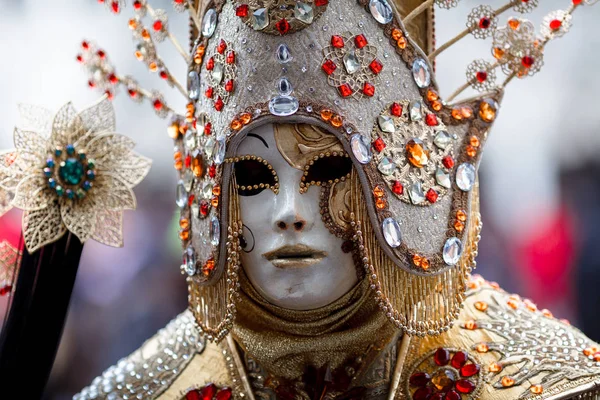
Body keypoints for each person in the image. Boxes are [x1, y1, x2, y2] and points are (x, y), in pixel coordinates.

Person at [26, 0, 600, 398]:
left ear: (399, 178)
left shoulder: (556, 384)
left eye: (327, 169)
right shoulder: (147, 391)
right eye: (252, 177)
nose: (289, 213)